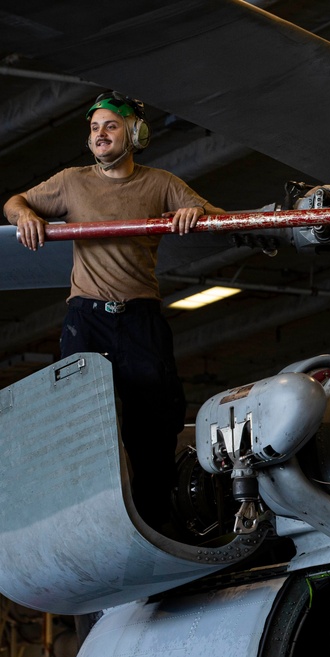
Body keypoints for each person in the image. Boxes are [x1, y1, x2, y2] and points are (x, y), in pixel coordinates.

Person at [3, 91, 223, 528]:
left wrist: (194, 211)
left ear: (136, 134)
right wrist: (24, 216)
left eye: (111, 126)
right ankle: (81, 520)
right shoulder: (71, 181)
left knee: (156, 428)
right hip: (87, 318)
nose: (100, 135)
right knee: (77, 422)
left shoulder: (160, 183)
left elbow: (215, 214)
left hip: (140, 317)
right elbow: (14, 202)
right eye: (94, 128)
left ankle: (156, 523)